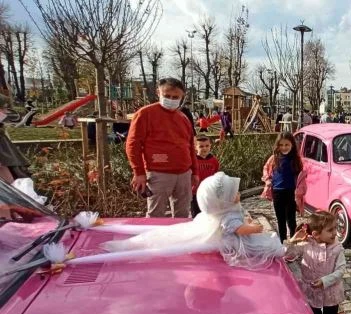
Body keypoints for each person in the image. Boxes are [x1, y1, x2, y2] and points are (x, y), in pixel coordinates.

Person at [104, 172, 287, 270]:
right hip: (234, 240)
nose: (237, 194)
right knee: (266, 246)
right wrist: (254, 229)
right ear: (224, 202)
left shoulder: (225, 211)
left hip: (234, 232)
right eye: (234, 194)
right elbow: (239, 230)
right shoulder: (228, 216)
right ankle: (286, 249)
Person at [126, 77, 199, 218]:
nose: (171, 99)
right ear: (158, 92)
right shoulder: (145, 114)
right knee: (155, 214)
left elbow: (190, 146)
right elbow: (133, 144)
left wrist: (194, 171)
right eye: (167, 96)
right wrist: (138, 172)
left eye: (175, 97)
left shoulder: (183, 118)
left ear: (182, 97)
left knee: (183, 214)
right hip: (159, 172)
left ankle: (179, 239)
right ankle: (152, 240)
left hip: (184, 173)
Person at [285, 211, 346, 314]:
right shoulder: (305, 245)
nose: (334, 233)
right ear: (316, 234)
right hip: (312, 293)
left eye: (335, 228)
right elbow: (286, 256)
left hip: (330, 293)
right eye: (330, 230)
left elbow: (340, 270)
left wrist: (325, 281)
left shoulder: (337, 249)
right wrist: (292, 240)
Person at [261, 132, 307, 242]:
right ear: (278, 145)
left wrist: (299, 192)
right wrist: (267, 180)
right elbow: (265, 169)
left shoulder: (296, 159)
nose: (284, 147)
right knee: (280, 220)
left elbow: (302, 177)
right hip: (277, 192)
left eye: (287, 145)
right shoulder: (274, 158)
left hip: (291, 192)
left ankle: (293, 241)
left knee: (291, 220)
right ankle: (282, 243)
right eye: (281, 145)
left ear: (292, 145)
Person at [191, 136, 220, 217]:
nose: (204, 148)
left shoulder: (214, 160)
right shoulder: (193, 160)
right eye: (201, 146)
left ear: (210, 145)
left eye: (207, 146)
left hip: (209, 192)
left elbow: (216, 174)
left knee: (210, 214)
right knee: (196, 215)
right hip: (195, 192)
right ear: (195, 147)